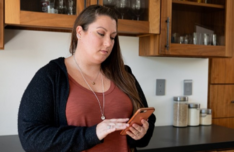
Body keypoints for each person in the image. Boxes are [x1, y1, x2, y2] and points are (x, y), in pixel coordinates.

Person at [18, 5, 156, 152]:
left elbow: (148, 120)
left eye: (113, 37)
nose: (109, 43)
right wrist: (93, 133)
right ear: (79, 32)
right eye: (101, 33)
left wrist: (140, 133)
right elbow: (31, 138)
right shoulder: (51, 76)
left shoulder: (124, 74)